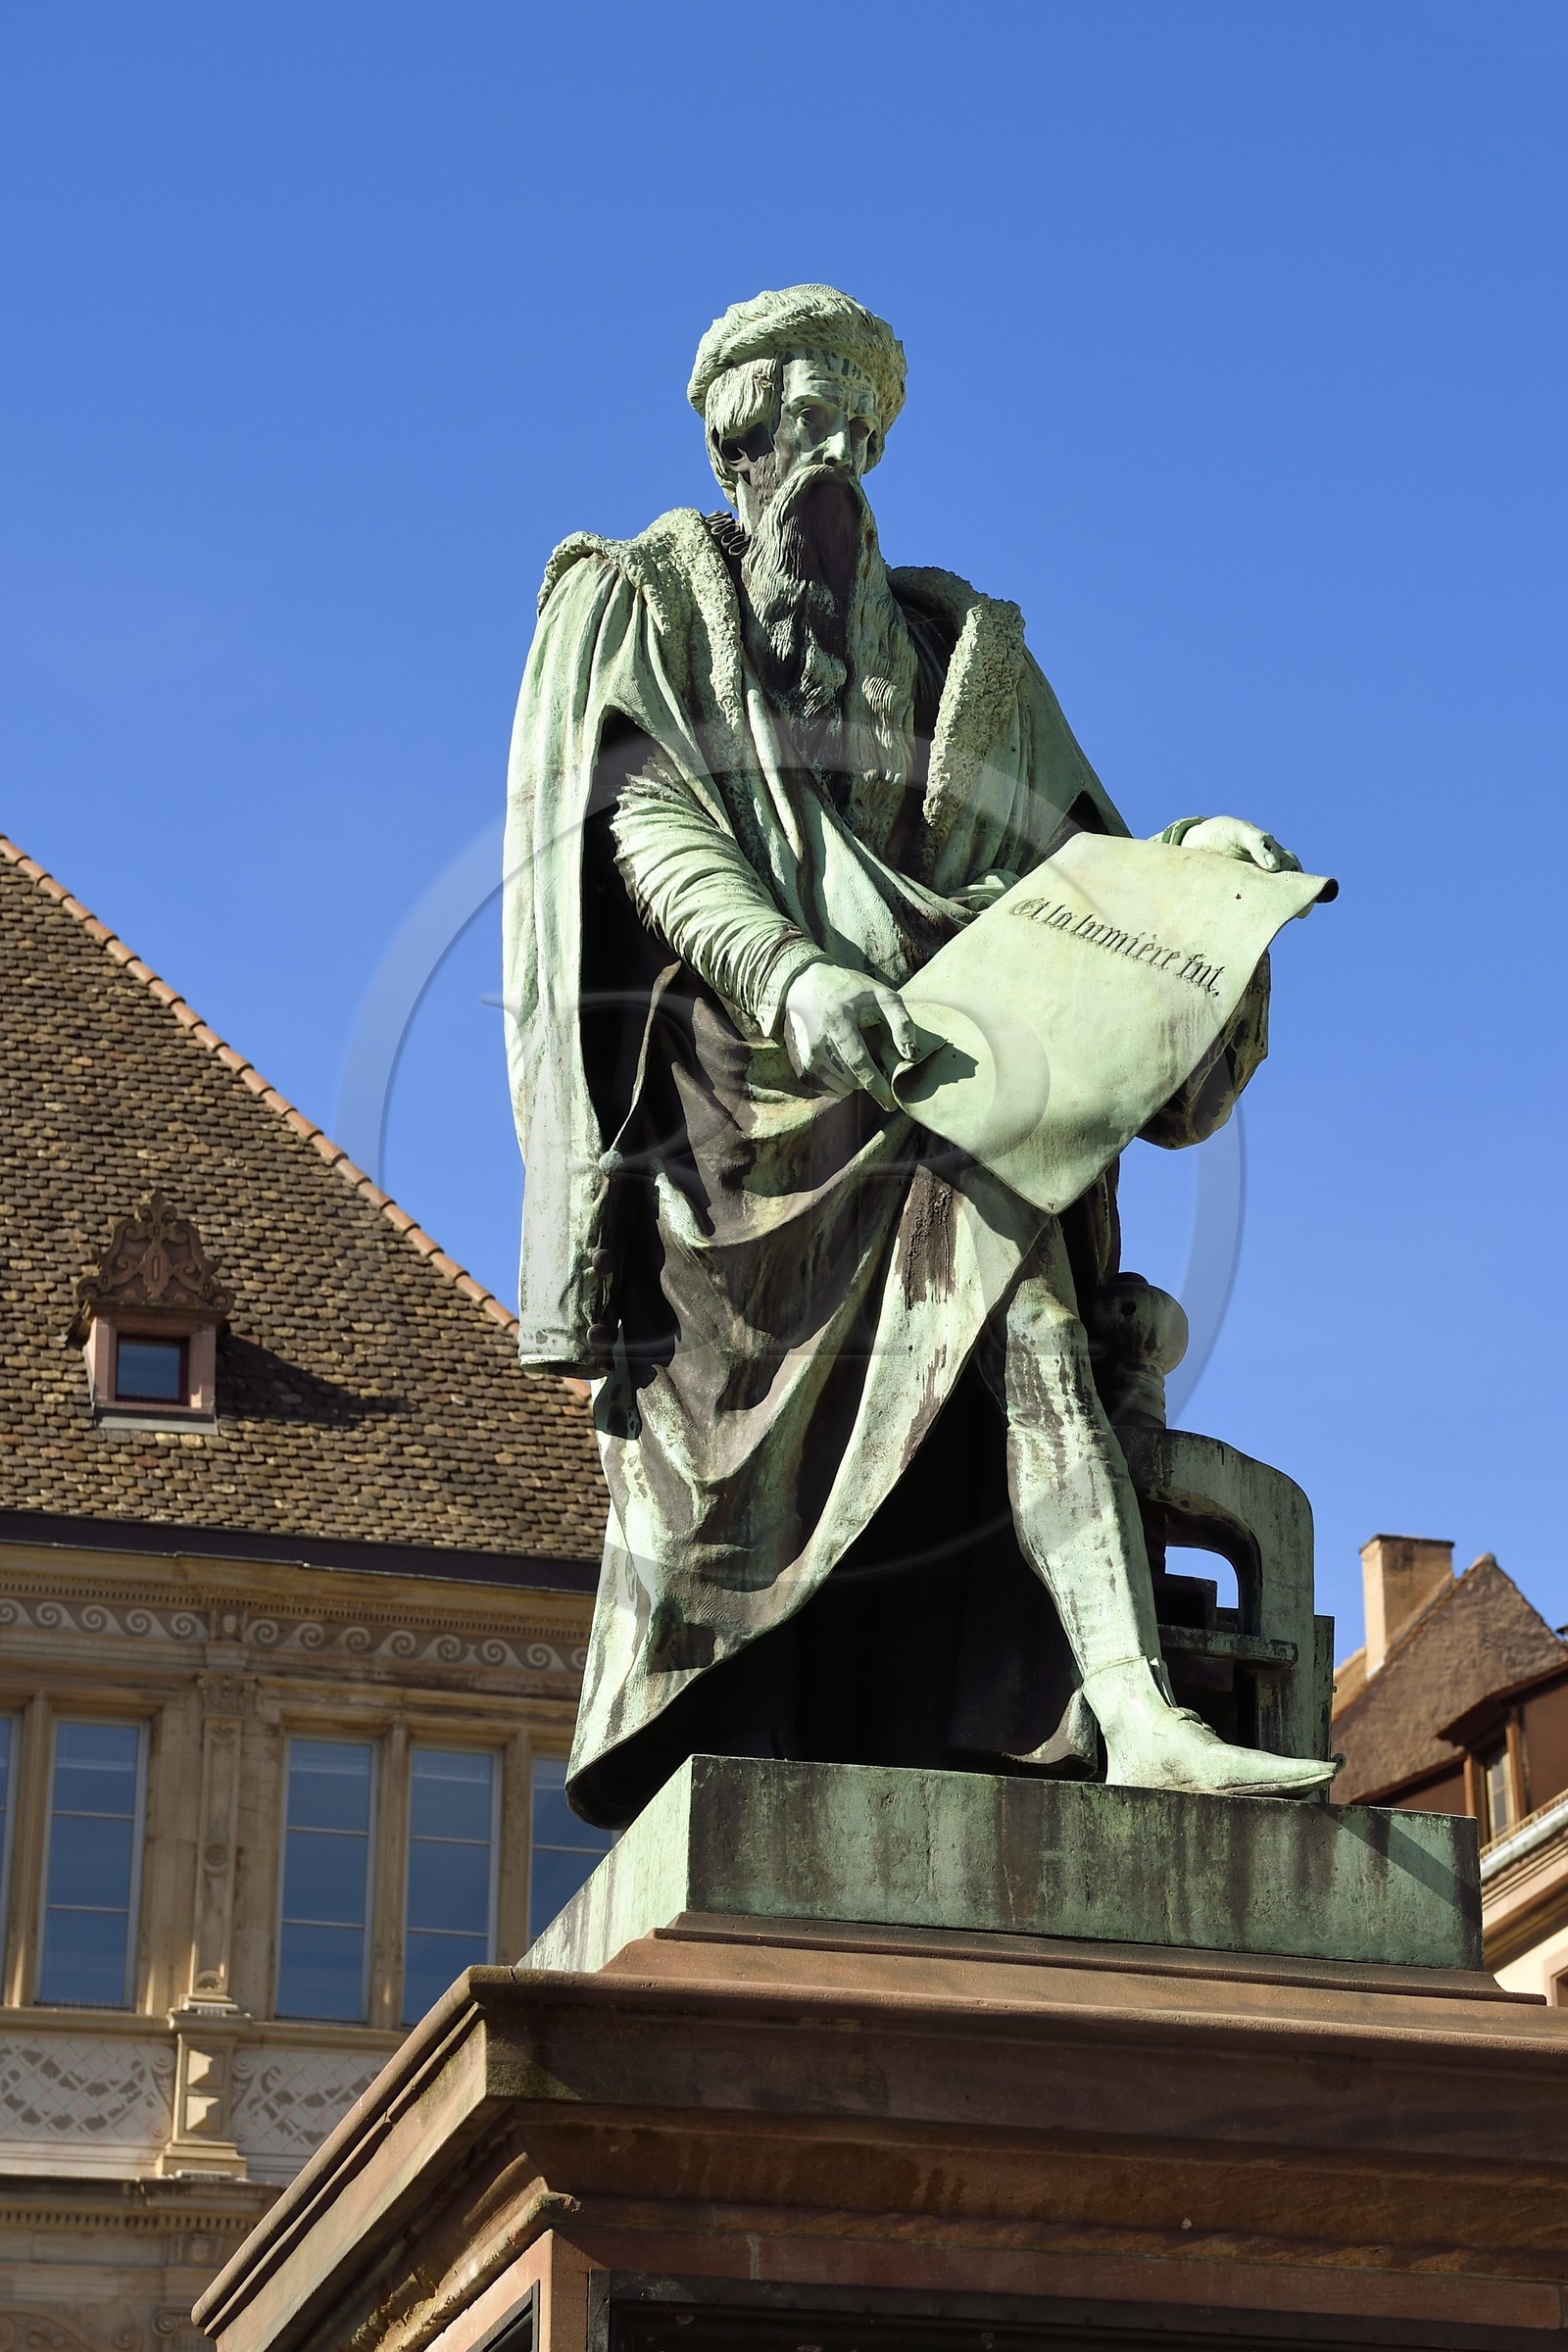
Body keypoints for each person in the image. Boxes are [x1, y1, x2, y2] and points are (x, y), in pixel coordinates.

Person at [503, 284, 1335, 1828]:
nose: (825, 448)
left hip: (936, 1076)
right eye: (794, 415)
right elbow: (645, 820)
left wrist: (1196, 860)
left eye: (851, 419)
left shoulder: (970, 653)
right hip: (749, 1108)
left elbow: (1079, 865)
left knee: (1017, 1276)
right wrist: (793, 971)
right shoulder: (642, 599)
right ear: (729, 434)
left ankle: (1135, 1709)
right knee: (983, 1238)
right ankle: (928, 1703)